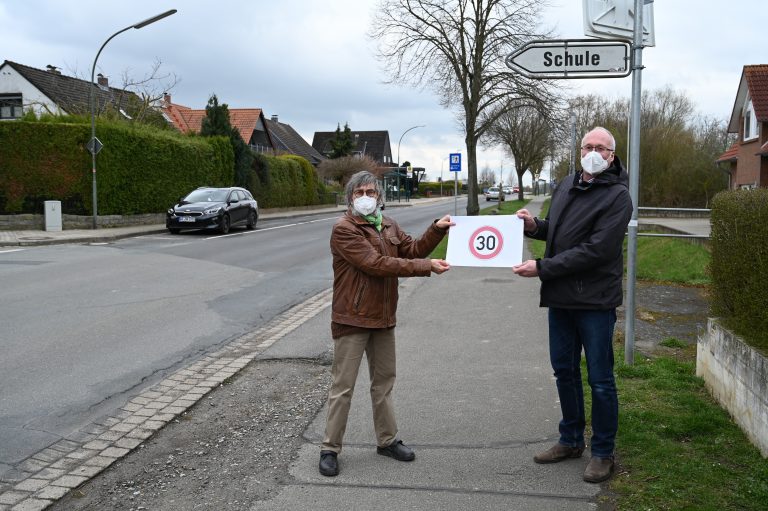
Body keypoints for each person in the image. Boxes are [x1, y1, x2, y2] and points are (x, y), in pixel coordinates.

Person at [512, 127, 632, 483]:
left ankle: (603, 451)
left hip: (595, 301)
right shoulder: (565, 184)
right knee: (564, 371)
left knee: (600, 379)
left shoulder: (618, 196)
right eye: (588, 146)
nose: (593, 152)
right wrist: (535, 226)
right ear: (580, 150)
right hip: (562, 299)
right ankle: (570, 439)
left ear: (612, 155)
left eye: (601, 148)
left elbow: (598, 250)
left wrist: (542, 268)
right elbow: (560, 232)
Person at [319, 170, 453, 477]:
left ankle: (387, 440)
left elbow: (414, 249)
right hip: (352, 318)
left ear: (380, 196)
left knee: (384, 383)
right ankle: (330, 448)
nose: (365, 197)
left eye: (371, 192)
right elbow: (375, 265)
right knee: (343, 387)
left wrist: (437, 230)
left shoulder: (389, 224)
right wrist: (426, 268)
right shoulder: (344, 229)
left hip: (383, 318)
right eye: (359, 192)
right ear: (349, 198)